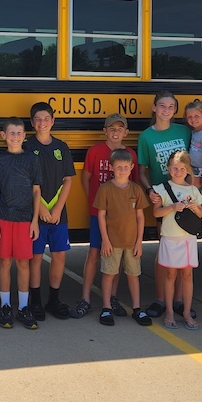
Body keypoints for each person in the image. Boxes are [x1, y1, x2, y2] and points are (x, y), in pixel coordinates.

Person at [73, 113, 135, 319]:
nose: (116, 132)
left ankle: (112, 298)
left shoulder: (130, 155)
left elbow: (133, 185)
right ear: (105, 131)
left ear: (126, 132)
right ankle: (85, 298)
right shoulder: (95, 151)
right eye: (112, 128)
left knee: (115, 256)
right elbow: (86, 178)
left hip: (120, 217)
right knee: (94, 252)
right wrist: (94, 201)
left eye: (120, 129)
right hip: (98, 213)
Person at [138, 90, 192, 319]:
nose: (166, 110)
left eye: (171, 106)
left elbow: (198, 158)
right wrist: (150, 190)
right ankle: (161, 299)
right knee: (166, 249)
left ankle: (178, 300)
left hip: (186, 197)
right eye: (162, 105)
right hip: (163, 198)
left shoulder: (184, 131)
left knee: (183, 250)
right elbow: (141, 170)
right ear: (154, 107)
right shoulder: (146, 136)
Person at [24, 102, 75, 320]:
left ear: (53, 121)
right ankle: (35, 301)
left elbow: (68, 179)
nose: (42, 123)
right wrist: (41, 209)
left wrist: (58, 208)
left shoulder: (61, 147)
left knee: (59, 255)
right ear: (32, 122)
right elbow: (25, 180)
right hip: (35, 213)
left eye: (46, 119)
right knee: (35, 257)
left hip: (58, 214)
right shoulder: (27, 146)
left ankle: (54, 299)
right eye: (38, 119)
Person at [0, 118, 41, 330]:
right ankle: (5, 306)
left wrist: (35, 220)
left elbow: (36, 191)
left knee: (23, 263)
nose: (15, 136)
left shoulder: (31, 159)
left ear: (24, 136)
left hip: (25, 219)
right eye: (11, 133)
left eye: (19, 133)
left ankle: (23, 307)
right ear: (3, 135)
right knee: (4, 262)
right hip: (3, 217)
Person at [93, 148, 151, 326]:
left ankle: (137, 308)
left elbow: (140, 217)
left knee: (133, 274)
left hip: (132, 242)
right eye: (118, 167)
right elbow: (101, 215)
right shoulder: (105, 189)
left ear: (132, 167)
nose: (122, 170)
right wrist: (105, 240)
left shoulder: (136, 189)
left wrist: (139, 242)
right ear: (111, 167)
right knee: (109, 273)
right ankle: (106, 307)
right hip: (112, 242)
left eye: (126, 167)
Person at [153, 151, 202, 331]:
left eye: (182, 169)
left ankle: (187, 312)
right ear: (168, 168)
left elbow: (200, 214)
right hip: (170, 237)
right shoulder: (162, 189)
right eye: (175, 168)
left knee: (187, 276)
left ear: (188, 170)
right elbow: (156, 213)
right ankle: (169, 312)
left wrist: (194, 207)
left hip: (188, 239)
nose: (178, 172)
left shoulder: (193, 190)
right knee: (170, 275)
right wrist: (173, 207)